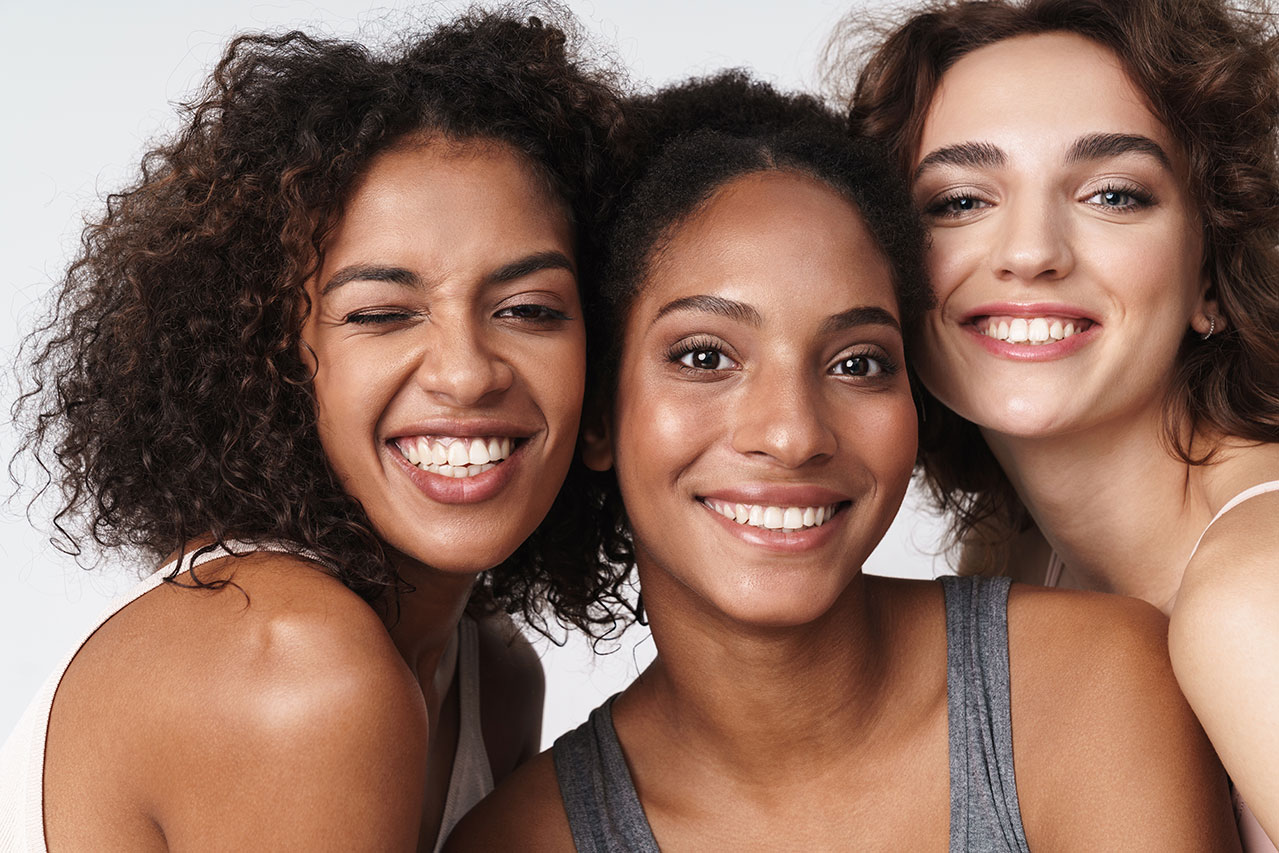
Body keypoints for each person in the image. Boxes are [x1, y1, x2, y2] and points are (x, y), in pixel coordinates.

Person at [444, 73, 1238, 852]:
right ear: (597, 416)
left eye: (856, 363)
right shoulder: (522, 837)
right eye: (703, 355)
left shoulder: (1091, 687)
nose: (791, 435)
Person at [0, 11, 630, 851]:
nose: (467, 371)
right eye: (380, 312)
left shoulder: (492, 670)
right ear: (273, 358)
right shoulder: (298, 665)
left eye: (527, 308)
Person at [841, 0, 1279, 846]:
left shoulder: (1252, 598)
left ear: (1211, 276)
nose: (1030, 250)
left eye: (1113, 194)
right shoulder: (1017, 555)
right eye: (961, 201)